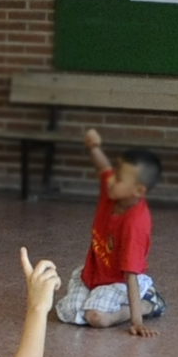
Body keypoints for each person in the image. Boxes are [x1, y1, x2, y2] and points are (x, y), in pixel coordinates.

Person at [54, 129, 164, 337]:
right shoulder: (112, 192)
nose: (112, 180)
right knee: (67, 312)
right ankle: (99, 297)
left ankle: (148, 304)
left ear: (138, 191)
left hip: (120, 281)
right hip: (94, 272)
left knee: (95, 317)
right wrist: (93, 147)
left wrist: (137, 322)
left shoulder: (135, 224)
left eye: (119, 178)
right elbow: (104, 168)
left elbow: (130, 275)